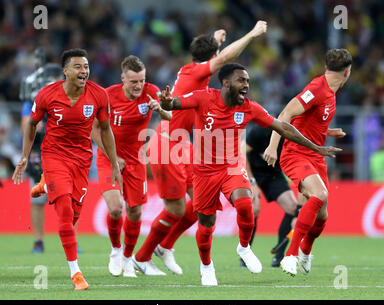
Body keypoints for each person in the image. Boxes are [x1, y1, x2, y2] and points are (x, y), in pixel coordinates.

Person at [159, 62, 341, 286]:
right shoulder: (203, 97)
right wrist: (166, 102)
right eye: (241, 80)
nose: (246, 85)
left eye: (247, 81)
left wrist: (316, 147)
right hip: (204, 171)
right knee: (207, 223)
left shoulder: (249, 108)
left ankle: (244, 247)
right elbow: (175, 103)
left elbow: (282, 127)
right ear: (226, 83)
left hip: (232, 167)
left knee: (246, 204)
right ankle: (206, 266)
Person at [132, 20, 269, 276]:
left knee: (199, 208)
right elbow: (227, 58)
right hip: (167, 144)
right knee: (176, 209)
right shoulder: (197, 73)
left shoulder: (192, 69)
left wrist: (214, 39)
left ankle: (165, 248)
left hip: (183, 145)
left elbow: (211, 53)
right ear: (213, 58)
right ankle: (142, 257)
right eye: (216, 54)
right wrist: (252, 33)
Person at [12, 48, 123, 290]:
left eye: (86, 67)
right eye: (78, 67)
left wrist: (114, 162)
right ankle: (76, 273)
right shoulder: (46, 94)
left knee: (73, 216)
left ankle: (45, 183)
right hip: (54, 156)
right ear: (65, 71)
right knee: (63, 212)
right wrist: (24, 156)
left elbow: (105, 130)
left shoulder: (99, 95)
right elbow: (31, 123)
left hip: (82, 160)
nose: (83, 71)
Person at [263, 48, 352, 276]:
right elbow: (284, 115)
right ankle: (289, 256)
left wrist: (328, 132)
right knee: (319, 195)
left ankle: (305, 252)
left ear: (326, 68)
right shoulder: (317, 89)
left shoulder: (331, 93)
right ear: (348, 72)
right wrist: (273, 146)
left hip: (315, 155)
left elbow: (307, 121)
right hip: (295, 153)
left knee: (322, 216)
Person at [91, 55, 171, 277]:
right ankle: (116, 250)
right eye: (133, 81)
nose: (138, 86)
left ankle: (128, 258)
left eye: (142, 81)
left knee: (135, 212)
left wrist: (160, 109)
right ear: (123, 80)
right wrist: (112, 155)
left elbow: (170, 116)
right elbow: (93, 128)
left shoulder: (151, 92)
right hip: (109, 158)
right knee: (116, 208)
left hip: (135, 159)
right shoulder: (107, 96)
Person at [20, 51, 64, 253]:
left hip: (65, 152)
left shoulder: (70, 97)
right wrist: (32, 126)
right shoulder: (33, 99)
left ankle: (71, 238)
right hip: (40, 152)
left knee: (69, 199)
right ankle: (38, 240)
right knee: (38, 200)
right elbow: (24, 126)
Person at [243, 124, 302, 267]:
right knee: (254, 208)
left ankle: (279, 255)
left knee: (292, 208)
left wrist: (300, 208)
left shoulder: (290, 137)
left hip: (272, 175)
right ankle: (245, 254)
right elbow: (242, 154)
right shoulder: (259, 130)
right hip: (251, 173)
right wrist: (252, 182)